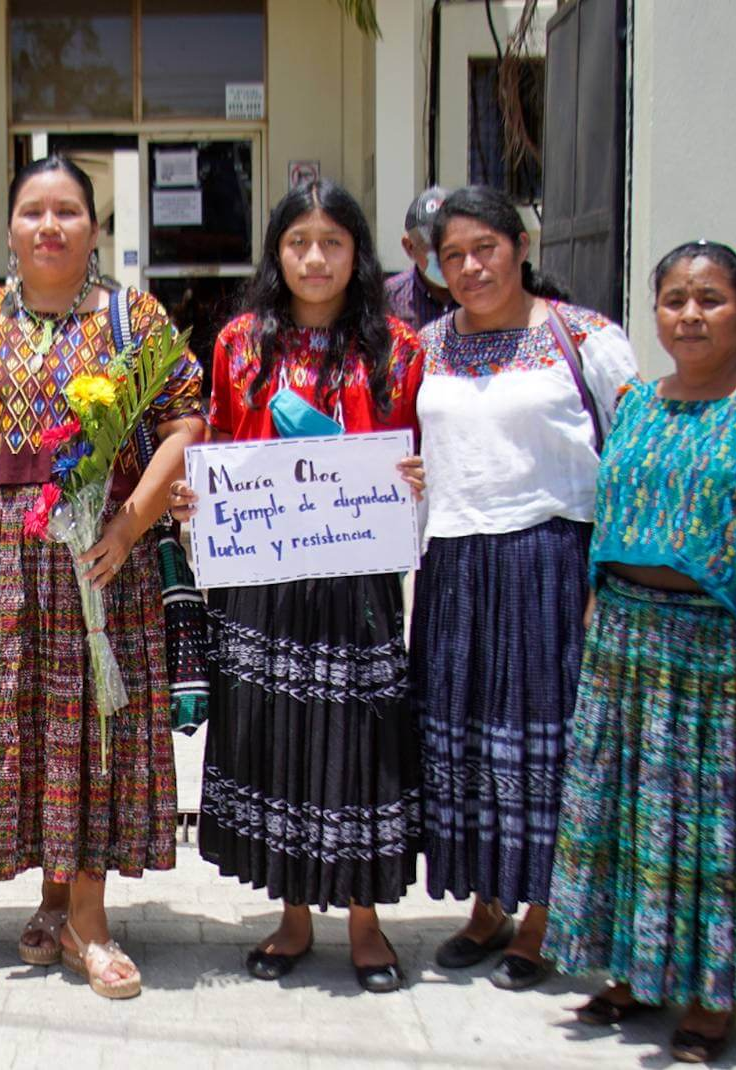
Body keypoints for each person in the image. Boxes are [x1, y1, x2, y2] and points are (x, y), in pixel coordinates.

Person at [544, 241, 736, 1063]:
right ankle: (636, 971)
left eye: (709, 299)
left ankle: (714, 993)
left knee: (717, 829)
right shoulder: (637, 402)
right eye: (674, 299)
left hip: (729, 651)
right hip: (629, 643)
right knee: (630, 818)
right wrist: (599, 607)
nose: (690, 315)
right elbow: (614, 516)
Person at [0, 155, 205, 1000]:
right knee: (29, 732)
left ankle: (90, 920)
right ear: (9, 228)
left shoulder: (133, 316)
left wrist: (130, 524)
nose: (48, 226)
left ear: (94, 228)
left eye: (66, 212)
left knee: (92, 733)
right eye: (31, 211)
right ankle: (54, 895)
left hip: (100, 562)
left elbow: (184, 420)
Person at [168, 180, 427, 993]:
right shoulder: (241, 344)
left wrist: (423, 474)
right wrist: (198, 497)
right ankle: (291, 915)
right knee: (279, 745)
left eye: (333, 243)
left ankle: (365, 919)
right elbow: (224, 447)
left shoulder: (401, 349)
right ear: (276, 252)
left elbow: (424, 452)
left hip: (357, 586)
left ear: (359, 253)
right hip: (264, 583)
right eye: (298, 242)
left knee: (360, 747)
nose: (315, 258)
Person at [412, 185, 639, 990]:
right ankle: (485, 905)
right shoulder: (427, 347)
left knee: (544, 740)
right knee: (466, 740)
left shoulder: (586, 339)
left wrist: (605, 578)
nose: (471, 267)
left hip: (551, 559)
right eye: (452, 257)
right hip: (454, 565)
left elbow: (632, 459)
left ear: (521, 244)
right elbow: (412, 450)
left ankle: (541, 917)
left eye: (486, 249)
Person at [383, 186, 456, 330]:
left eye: (453, 245)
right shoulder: (389, 298)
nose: (444, 254)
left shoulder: (479, 290)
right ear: (409, 247)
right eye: (432, 244)